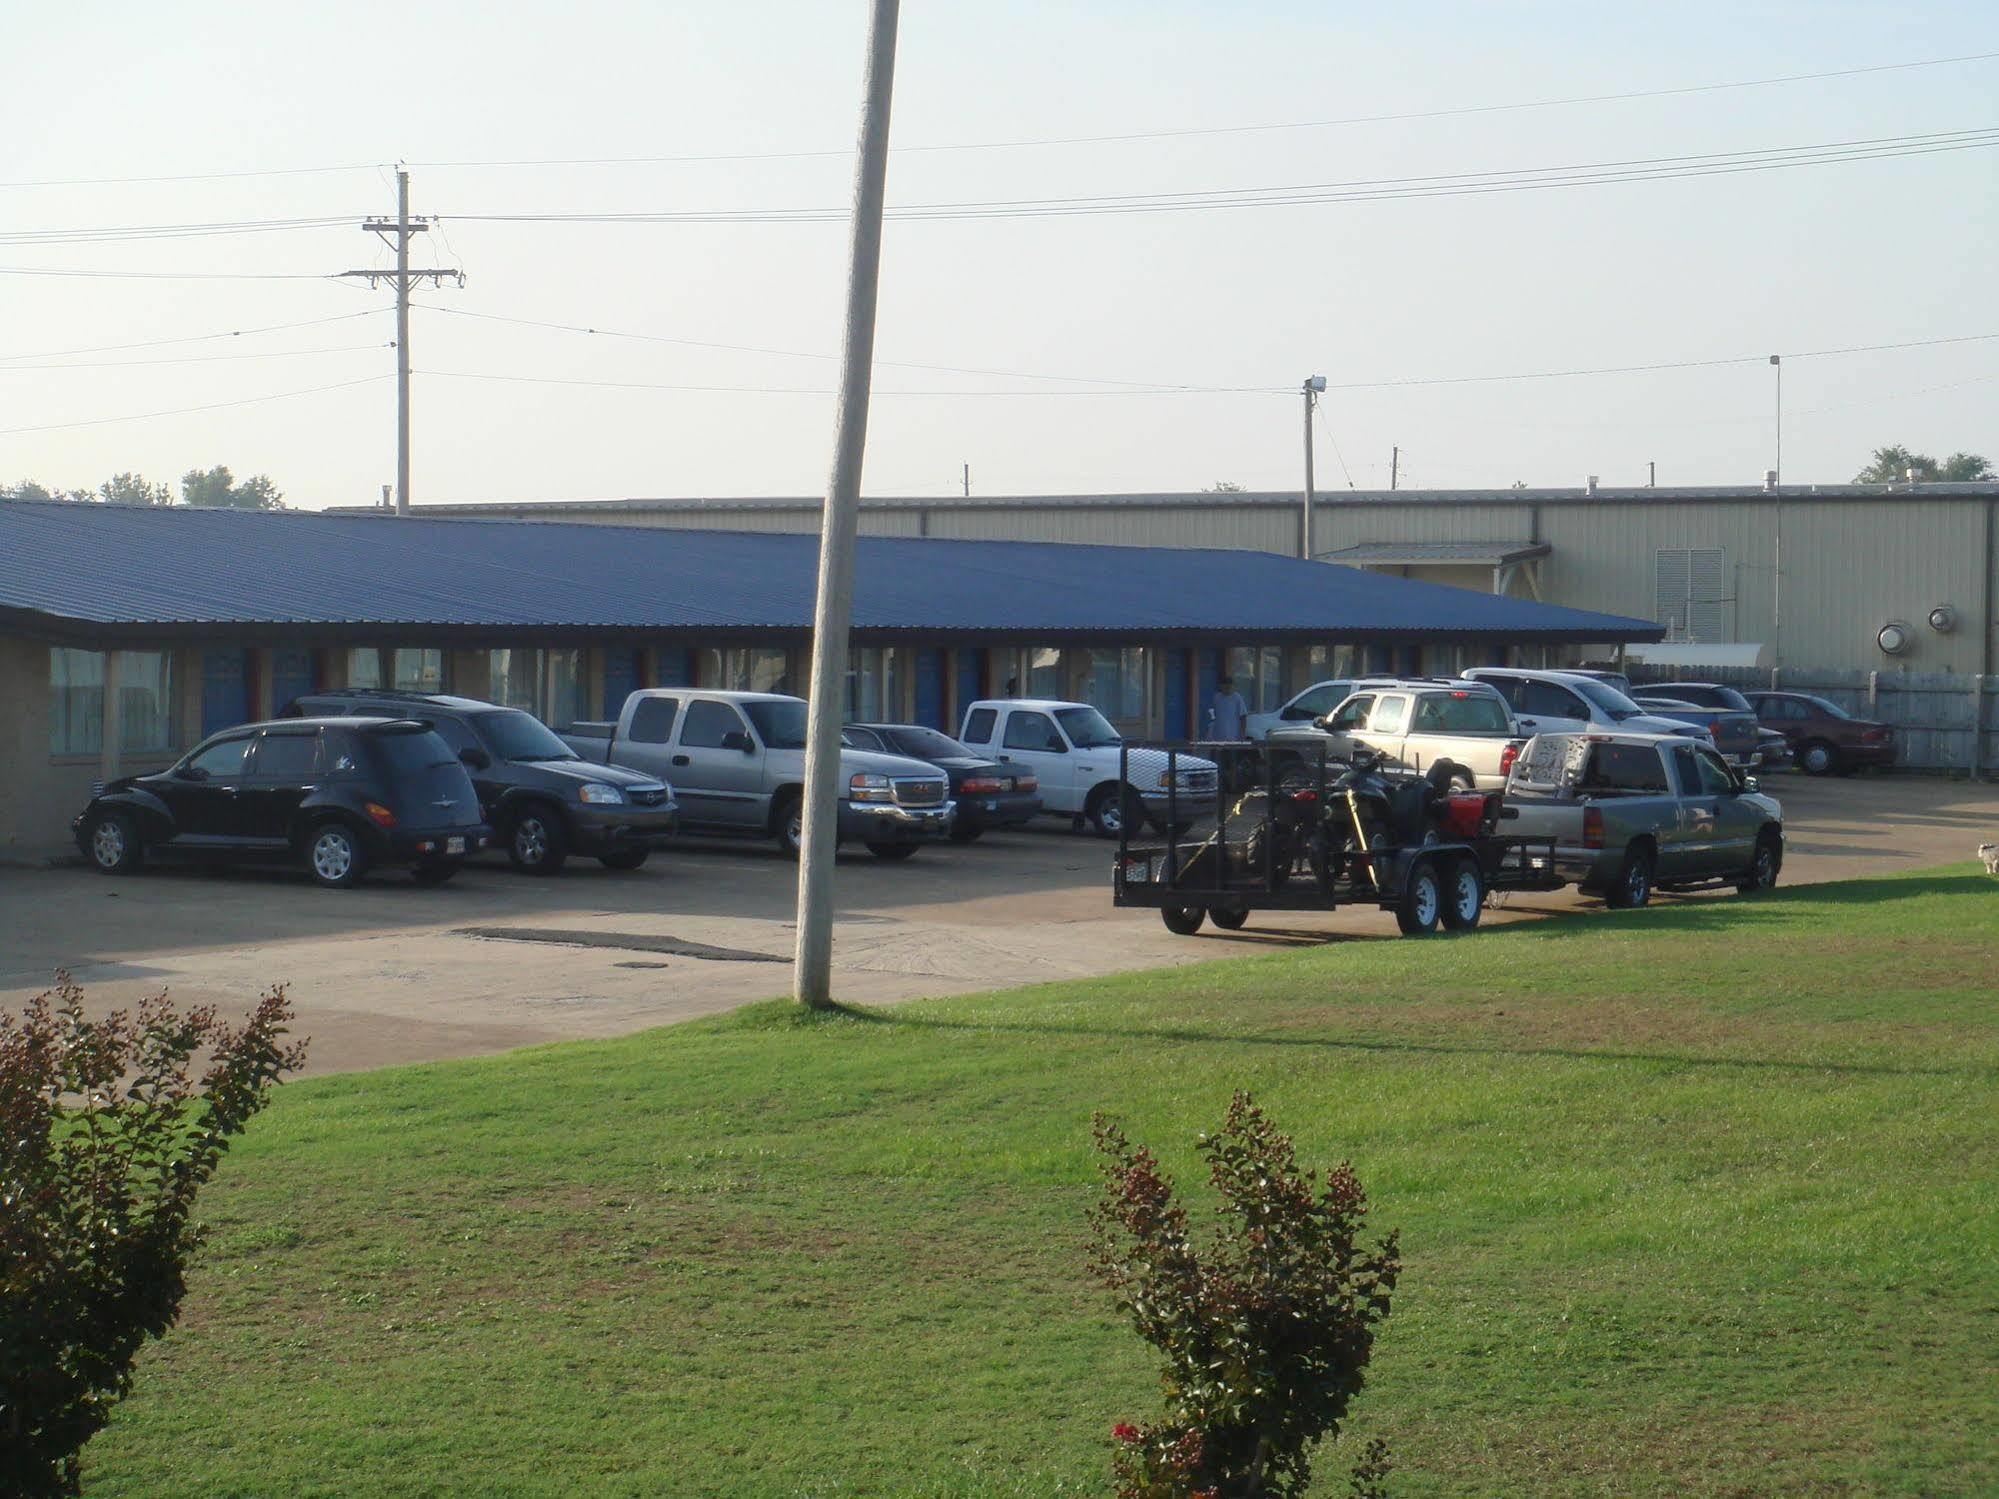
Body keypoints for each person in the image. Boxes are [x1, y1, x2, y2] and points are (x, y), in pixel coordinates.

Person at [1207, 674, 1249, 740]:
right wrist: (1210, 732)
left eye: (1229, 686)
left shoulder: (1237, 698)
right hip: (1218, 734)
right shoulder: (1217, 697)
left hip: (1234, 734)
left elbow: (1243, 716)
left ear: (1233, 686)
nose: (1227, 688)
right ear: (1221, 686)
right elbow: (1212, 715)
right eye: (1225, 686)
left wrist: (1242, 733)